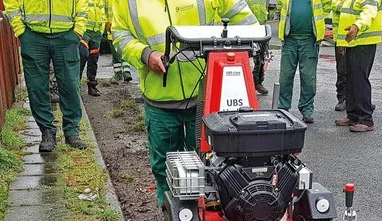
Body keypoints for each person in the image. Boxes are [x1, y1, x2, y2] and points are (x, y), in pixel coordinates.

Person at [112, 1, 258, 208]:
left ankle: (208, 211)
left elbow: (239, 13)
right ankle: (169, 212)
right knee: (164, 167)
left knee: (210, 162)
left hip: (204, 94)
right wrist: (146, 54)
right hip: (160, 99)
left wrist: (256, 44)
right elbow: (120, 35)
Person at [4, 0, 88, 152]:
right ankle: (47, 131)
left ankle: (72, 131)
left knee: (70, 85)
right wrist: (20, 30)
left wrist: (78, 30)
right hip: (33, 35)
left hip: (67, 35)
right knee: (36, 87)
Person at [277, 0, 331, 124]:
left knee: (308, 78)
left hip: (309, 40)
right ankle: (283, 108)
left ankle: (307, 110)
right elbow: (281, 6)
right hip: (289, 39)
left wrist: (318, 21)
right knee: (285, 77)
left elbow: (327, 5)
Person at [332, 0, 382, 132]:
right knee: (351, 78)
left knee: (360, 79)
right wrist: (340, 41)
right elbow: (340, 16)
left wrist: (357, 26)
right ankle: (353, 116)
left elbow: (369, 12)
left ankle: (366, 119)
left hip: (364, 40)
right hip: (351, 41)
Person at [79, 0, 106, 96]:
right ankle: (76, 85)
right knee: (82, 56)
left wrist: (100, 31)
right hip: (84, 31)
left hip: (96, 33)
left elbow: (103, 14)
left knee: (93, 60)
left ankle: (92, 85)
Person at [104, 0, 132, 83]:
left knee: (117, 55)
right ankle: (125, 73)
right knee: (123, 52)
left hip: (115, 31)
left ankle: (119, 74)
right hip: (118, 30)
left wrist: (106, 23)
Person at [246, 0, 269, 95]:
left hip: (261, 28)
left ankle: (257, 82)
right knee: (249, 57)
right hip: (247, 27)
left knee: (261, 57)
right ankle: (250, 83)